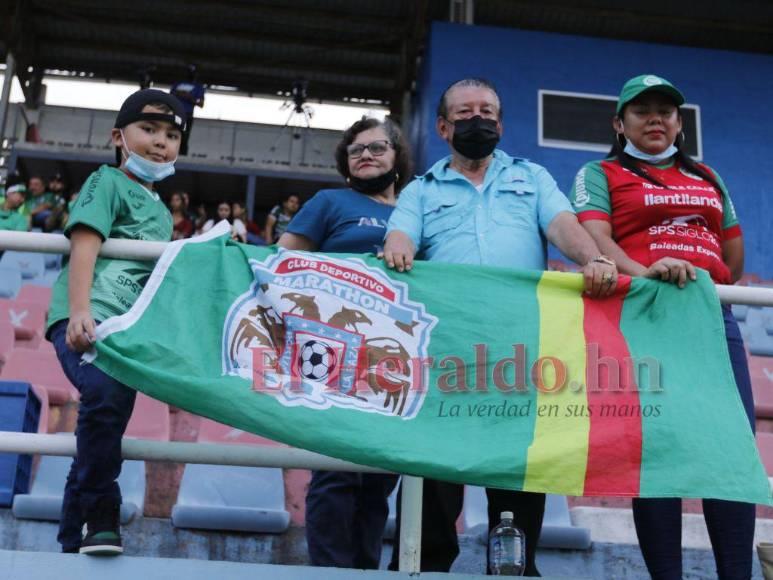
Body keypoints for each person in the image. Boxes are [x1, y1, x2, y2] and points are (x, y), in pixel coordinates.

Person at [382, 78, 618, 576]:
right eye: (465, 113)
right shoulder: (421, 190)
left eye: (487, 111)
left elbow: (562, 227)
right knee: (434, 467)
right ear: (444, 127)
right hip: (445, 352)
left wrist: (594, 258)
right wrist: (399, 244)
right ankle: (422, 566)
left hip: (518, 351)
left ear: (501, 124)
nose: (478, 120)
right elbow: (401, 232)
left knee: (517, 467)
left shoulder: (532, 178)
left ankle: (514, 567)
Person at [570, 74, 755, 579]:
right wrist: (645, 272)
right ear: (619, 123)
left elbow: (733, 259)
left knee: (730, 448)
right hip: (644, 314)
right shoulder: (600, 171)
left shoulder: (709, 176)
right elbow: (596, 242)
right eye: (642, 111)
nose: (656, 119)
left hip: (712, 315)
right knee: (659, 452)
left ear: (679, 123)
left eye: (666, 112)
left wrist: (695, 266)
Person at [44, 88, 185, 556]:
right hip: (83, 316)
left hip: (123, 334)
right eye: (148, 129)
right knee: (103, 398)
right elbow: (85, 243)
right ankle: (103, 514)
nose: (159, 142)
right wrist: (80, 309)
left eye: (171, 135)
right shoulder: (105, 180)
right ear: (119, 136)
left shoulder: (164, 214)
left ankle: (73, 539)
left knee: (103, 420)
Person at [278, 117, 412, 569]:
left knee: (379, 477)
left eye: (377, 147)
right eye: (356, 151)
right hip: (331, 348)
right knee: (336, 473)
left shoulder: (416, 210)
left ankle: (364, 570)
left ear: (397, 156)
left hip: (396, 354)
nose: (366, 156)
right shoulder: (329, 201)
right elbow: (284, 259)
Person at [170, 64, 205, 156]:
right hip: (175, 113)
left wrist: (189, 97)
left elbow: (201, 104)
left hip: (187, 114)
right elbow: (170, 97)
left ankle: (182, 156)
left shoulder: (198, 86)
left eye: (192, 72)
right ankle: (170, 154)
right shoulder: (177, 84)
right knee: (172, 133)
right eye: (188, 71)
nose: (190, 74)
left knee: (184, 136)